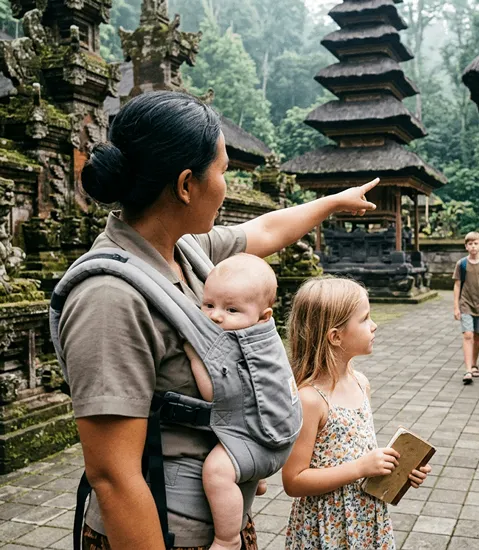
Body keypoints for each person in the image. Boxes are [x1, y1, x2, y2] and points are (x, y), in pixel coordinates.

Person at [58, 91, 381, 550]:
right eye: (224, 171)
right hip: (166, 531)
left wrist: (332, 202)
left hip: (219, 520)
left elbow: (266, 230)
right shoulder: (109, 298)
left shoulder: (186, 251)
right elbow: (112, 477)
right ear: (187, 184)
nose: (228, 185)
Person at [282, 277, 431, 549]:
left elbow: (360, 454)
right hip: (326, 524)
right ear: (335, 336)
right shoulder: (310, 399)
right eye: (364, 319)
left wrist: (397, 472)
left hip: (365, 517)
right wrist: (360, 468)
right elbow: (294, 481)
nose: (374, 325)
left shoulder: (361, 383)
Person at [182, 253, 277, 550]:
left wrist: (194, 354)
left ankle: (227, 539)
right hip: (271, 429)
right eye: (208, 305)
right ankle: (255, 475)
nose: (215, 316)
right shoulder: (262, 337)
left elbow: (215, 394)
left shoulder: (240, 347)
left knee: (216, 471)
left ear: (264, 317)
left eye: (231, 309)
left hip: (260, 437)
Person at [452, 231, 479, 385]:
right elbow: (457, 285)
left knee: (477, 336)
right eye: (470, 244)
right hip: (465, 303)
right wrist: (456, 306)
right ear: (466, 246)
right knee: (468, 335)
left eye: (476, 243)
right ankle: (468, 369)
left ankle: (475, 364)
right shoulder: (461, 264)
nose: (473, 246)